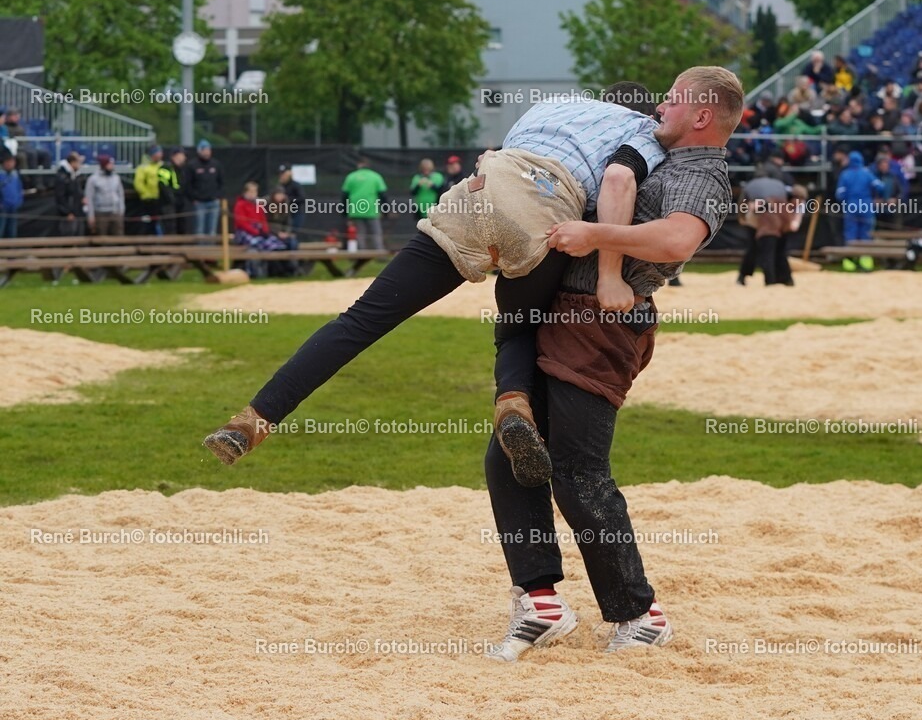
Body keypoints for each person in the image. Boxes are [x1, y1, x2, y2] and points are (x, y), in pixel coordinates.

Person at [202, 77, 676, 485]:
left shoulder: (553, 104)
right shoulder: (639, 130)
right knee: (519, 327)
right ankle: (513, 405)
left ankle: (252, 419)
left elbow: (504, 154)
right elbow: (618, 184)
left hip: (479, 191)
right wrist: (610, 272)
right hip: (545, 212)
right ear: (638, 108)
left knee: (360, 320)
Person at [483, 66, 744, 661]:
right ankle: (542, 602)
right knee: (508, 459)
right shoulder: (653, 151)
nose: (661, 104)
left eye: (673, 99)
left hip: (602, 325)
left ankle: (638, 614)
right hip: (564, 310)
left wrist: (591, 234)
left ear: (702, 115)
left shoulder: (701, 172)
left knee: (578, 471)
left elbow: (676, 241)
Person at [836, 151, 884, 271]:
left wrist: (846, 201)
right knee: (866, 234)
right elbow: (880, 186)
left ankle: (850, 263)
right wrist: (876, 197)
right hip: (866, 206)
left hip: (851, 206)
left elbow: (839, 194)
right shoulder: (867, 173)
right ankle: (866, 263)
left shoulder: (845, 174)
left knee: (850, 234)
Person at [340, 156, 388, 251]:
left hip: (355, 209)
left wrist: (345, 211)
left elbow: (344, 195)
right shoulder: (375, 176)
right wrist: (385, 210)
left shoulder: (351, 176)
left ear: (358, 165)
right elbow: (383, 195)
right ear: (369, 166)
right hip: (371, 209)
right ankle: (379, 253)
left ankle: (361, 255)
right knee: (376, 233)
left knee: (360, 234)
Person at [185, 140, 223, 237]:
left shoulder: (216, 164)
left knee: (212, 231)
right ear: (199, 151)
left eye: (208, 149)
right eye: (204, 150)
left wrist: (218, 196)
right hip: (199, 203)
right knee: (199, 230)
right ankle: (199, 251)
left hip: (213, 202)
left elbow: (221, 182)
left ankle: (211, 251)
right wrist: (194, 199)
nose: (207, 152)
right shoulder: (192, 165)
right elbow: (188, 184)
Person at [85, 155, 126, 236]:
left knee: (118, 236)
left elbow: (121, 195)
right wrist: (91, 215)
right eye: (110, 164)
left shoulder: (116, 178)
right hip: (100, 213)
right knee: (101, 237)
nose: (112, 166)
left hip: (115, 212)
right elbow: (89, 198)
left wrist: (121, 211)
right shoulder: (93, 179)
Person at [134, 144, 165, 235]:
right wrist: (146, 194)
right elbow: (138, 183)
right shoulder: (144, 167)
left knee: (160, 223)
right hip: (148, 200)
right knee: (147, 223)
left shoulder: (162, 166)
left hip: (160, 199)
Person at [55, 152, 87, 236]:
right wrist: (67, 212)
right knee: (68, 236)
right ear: (73, 162)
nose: (80, 164)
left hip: (77, 211)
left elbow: (77, 192)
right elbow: (60, 197)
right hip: (69, 214)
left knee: (79, 234)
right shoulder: (62, 177)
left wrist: (82, 198)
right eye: (79, 162)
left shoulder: (75, 175)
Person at [165, 147, 189, 235]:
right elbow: (163, 185)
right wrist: (171, 198)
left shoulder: (183, 170)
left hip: (180, 202)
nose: (184, 158)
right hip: (170, 203)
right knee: (171, 226)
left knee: (182, 225)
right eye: (182, 155)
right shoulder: (166, 167)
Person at [0, 151, 24, 239]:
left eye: (12, 161)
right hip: (2, 208)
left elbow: (19, 188)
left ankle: (11, 251)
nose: (11, 164)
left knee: (12, 232)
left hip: (13, 207)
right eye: (9, 161)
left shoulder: (15, 175)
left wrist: (19, 201)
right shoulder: (1, 175)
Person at [277, 164, 307, 232]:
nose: (282, 175)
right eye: (281, 173)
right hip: (283, 214)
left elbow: (302, 199)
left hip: (296, 213)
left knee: (292, 234)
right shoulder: (279, 186)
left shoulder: (296, 185)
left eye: (284, 173)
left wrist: (287, 199)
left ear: (289, 173)